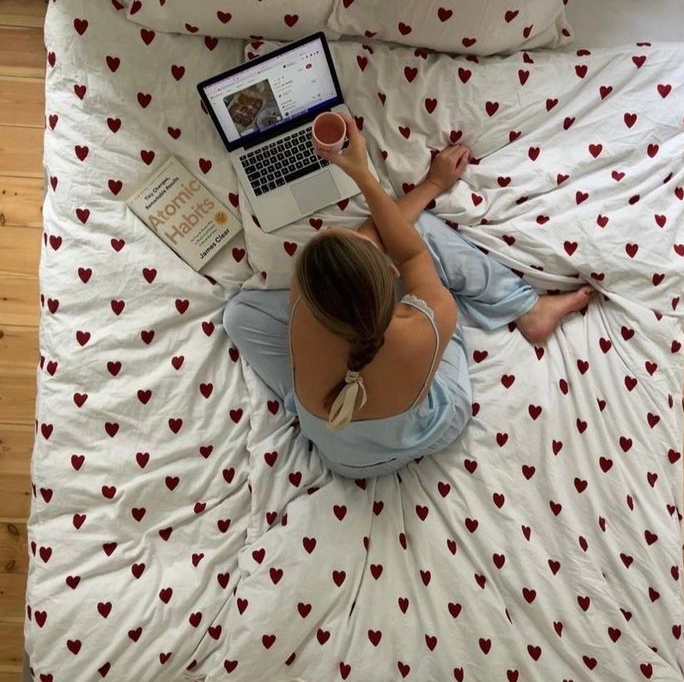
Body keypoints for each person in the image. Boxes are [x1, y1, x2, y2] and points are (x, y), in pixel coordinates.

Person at [223, 115, 594, 479]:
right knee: (416, 229)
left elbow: (373, 240)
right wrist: (418, 181)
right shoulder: (430, 319)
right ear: (392, 274)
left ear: (306, 296)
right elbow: (401, 242)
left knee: (237, 314)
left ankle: (307, 404)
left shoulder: (303, 309)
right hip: (426, 433)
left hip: (344, 459)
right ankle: (524, 307)